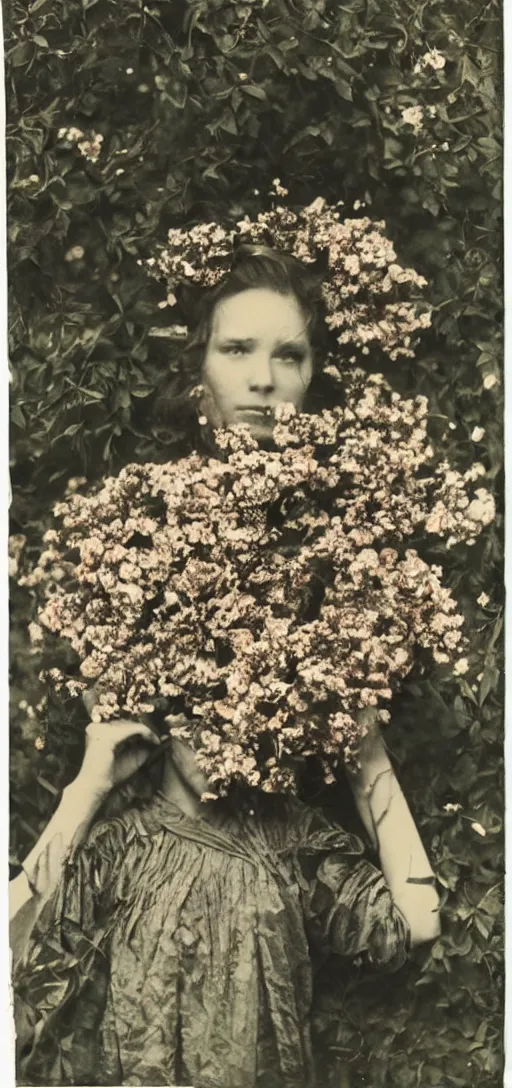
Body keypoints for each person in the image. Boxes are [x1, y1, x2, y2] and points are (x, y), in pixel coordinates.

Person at [10, 246, 441, 1088]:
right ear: (196, 363)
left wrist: (367, 759)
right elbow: (16, 949)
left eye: (289, 354)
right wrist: (89, 785)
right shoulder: (133, 532)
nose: (263, 382)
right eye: (235, 349)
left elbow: (416, 926)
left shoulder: (346, 550)